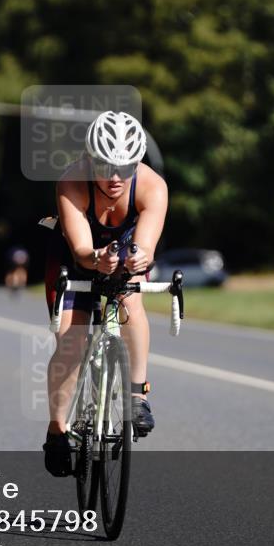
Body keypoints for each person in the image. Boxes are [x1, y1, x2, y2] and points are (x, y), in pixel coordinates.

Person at [41, 111, 168, 476]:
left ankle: (137, 394)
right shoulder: (72, 181)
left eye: (124, 167)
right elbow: (82, 250)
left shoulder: (152, 186)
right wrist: (96, 258)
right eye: (105, 165)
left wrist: (140, 256)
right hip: (75, 257)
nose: (114, 177)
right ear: (89, 158)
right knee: (73, 341)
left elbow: (147, 245)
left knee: (131, 300)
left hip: (124, 254)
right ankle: (57, 430)